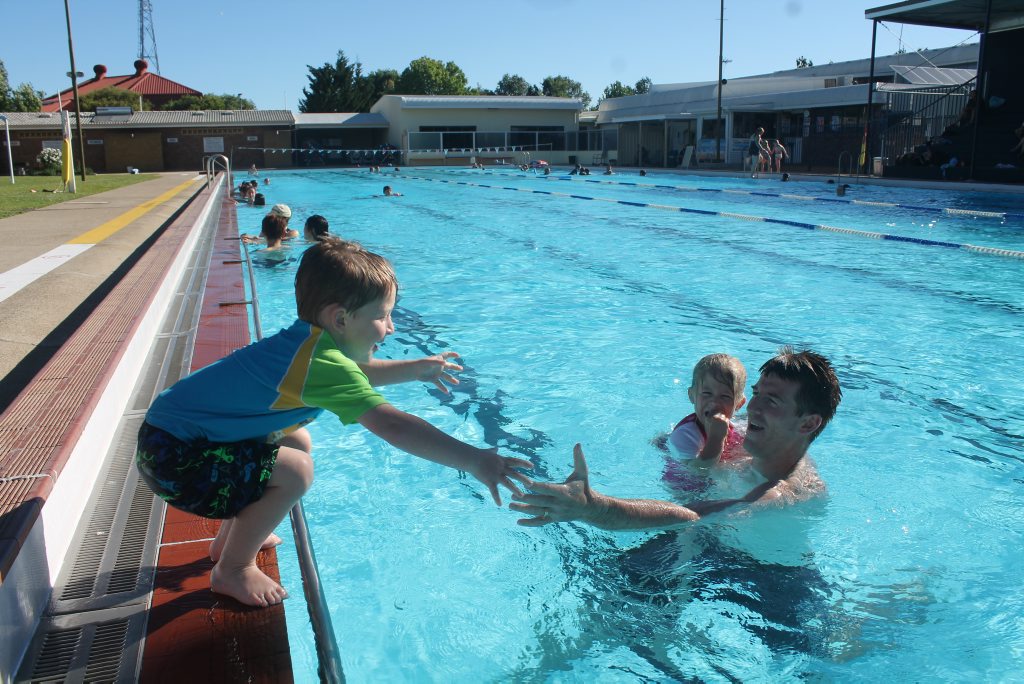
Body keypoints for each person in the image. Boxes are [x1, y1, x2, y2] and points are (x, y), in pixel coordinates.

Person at [136, 239, 532, 607]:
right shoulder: (319, 362)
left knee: (298, 441)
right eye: (383, 316)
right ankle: (232, 569)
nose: (391, 327)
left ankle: (231, 543)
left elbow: (359, 372)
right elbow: (393, 426)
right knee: (296, 471)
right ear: (340, 319)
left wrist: (417, 370)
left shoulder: (309, 344)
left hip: (169, 441)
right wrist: (475, 460)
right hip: (177, 462)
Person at [510, 347, 841, 529]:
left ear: (808, 423)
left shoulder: (782, 490)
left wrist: (593, 507)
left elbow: (693, 513)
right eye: (754, 394)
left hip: (760, 575)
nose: (751, 407)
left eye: (771, 401)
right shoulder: (767, 449)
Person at [665, 354, 747, 464]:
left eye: (725, 396)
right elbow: (700, 471)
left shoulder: (737, 428)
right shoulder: (685, 435)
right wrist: (716, 438)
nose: (714, 402)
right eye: (707, 393)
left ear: (739, 404)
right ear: (691, 395)